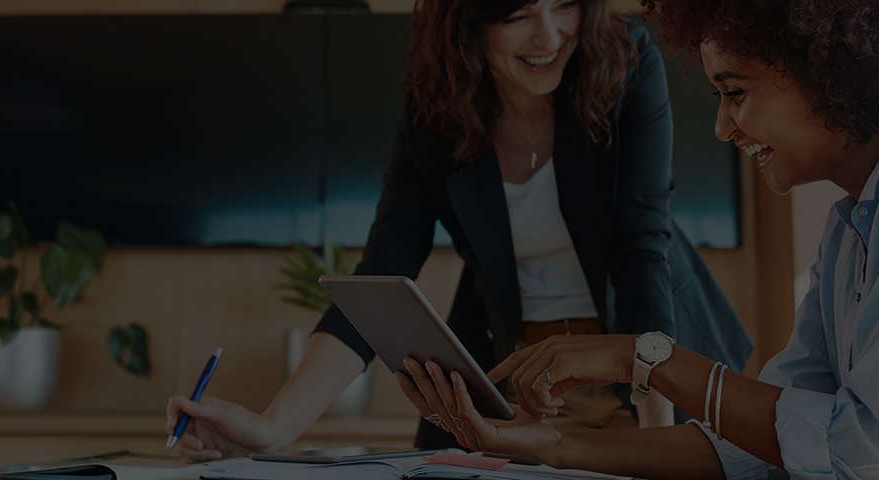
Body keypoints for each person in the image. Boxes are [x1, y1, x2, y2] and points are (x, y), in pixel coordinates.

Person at [398, 0, 879, 478]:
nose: (721, 126)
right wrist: (545, 447)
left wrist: (641, 356)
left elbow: (876, 463)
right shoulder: (851, 230)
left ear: (827, 69)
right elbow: (755, 450)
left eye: (734, 93)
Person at [164, 0, 754, 462]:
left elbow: (639, 248)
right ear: (468, 21)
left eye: (564, 5)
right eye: (517, 15)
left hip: (646, 372)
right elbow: (380, 276)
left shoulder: (625, 60)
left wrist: (659, 439)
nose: (549, 36)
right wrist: (271, 429)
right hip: (521, 388)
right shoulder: (436, 108)